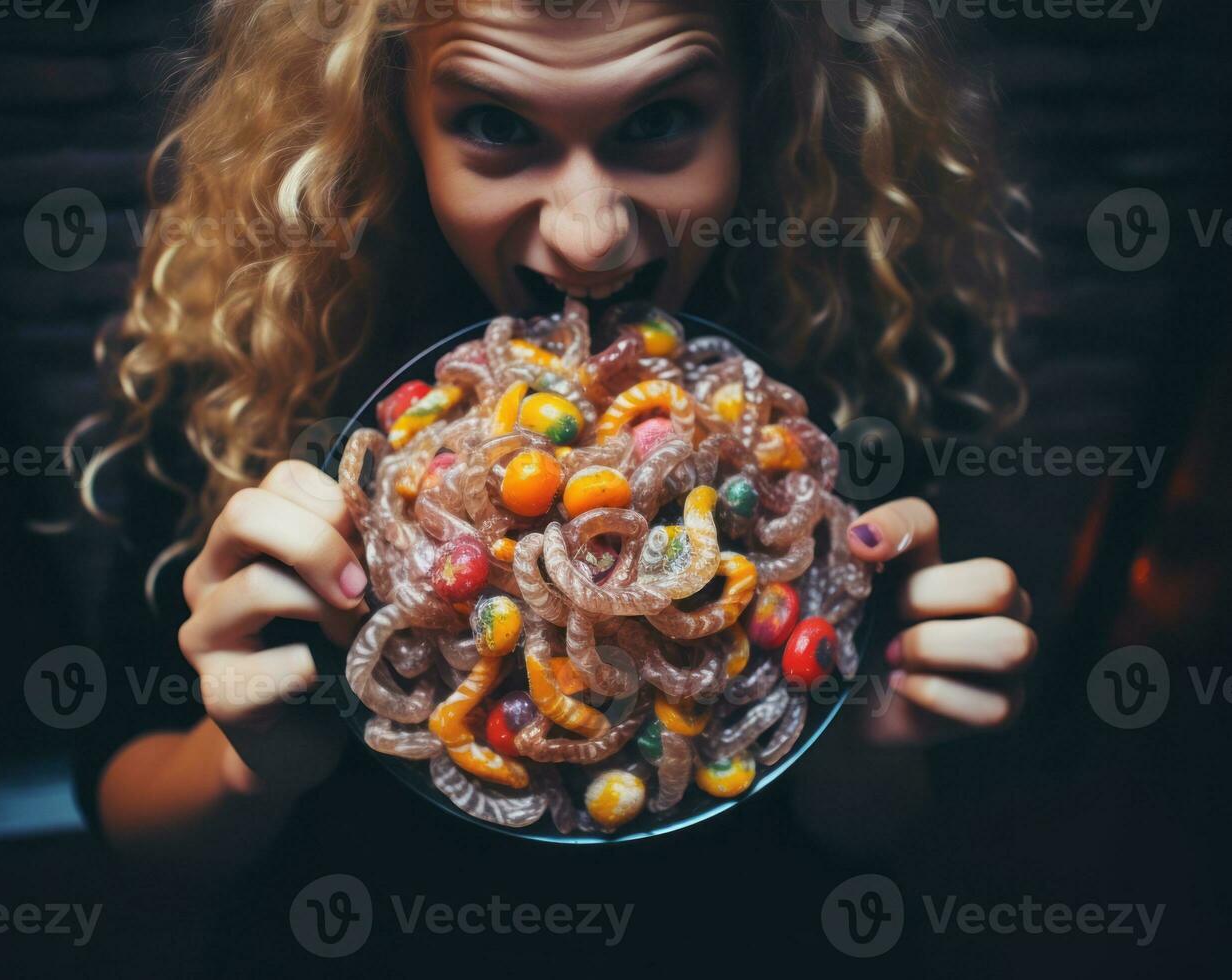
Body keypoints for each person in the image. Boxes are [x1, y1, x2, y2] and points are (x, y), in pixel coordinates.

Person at [73, 0, 1037, 970]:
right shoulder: (252, 361)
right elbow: (127, 815)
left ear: (761, 94)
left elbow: (871, 832)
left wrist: (870, 736)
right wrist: (244, 763)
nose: (589, 240)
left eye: (657, 120)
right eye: (495, 125)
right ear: (387, 111)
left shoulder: (875, 356)